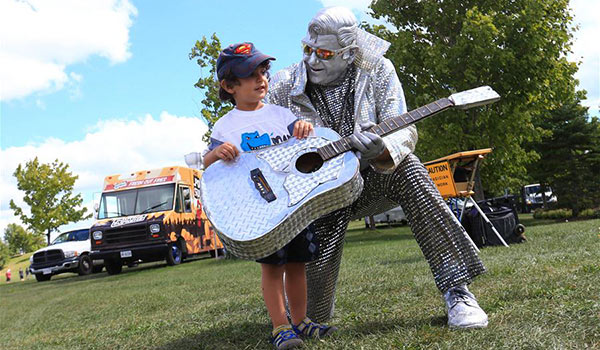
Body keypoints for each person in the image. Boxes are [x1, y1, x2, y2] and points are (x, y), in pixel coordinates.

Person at [266, 6, 488, 328]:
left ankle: (457, 290)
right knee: (310, 319)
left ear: (349, 53)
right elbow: (259, 140)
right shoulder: (282, 85)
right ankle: (297, 309)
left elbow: (404, 128)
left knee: (409, 169)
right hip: (312, 202)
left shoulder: (379, 70)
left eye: (324, 53)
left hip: (371, 181)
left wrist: (383, 150)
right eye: (308, 50)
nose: (312, 61)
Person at [203, 42, 337, 349]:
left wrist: (304, 126)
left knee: (298, 263)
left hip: (294, 202)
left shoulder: (280, 114)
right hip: (261, 211)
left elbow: (302, 142)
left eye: (263, 71)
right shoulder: (225, 126)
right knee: (273, 267)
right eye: (250, 75)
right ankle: (280, 326)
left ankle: (301, 321)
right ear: (229, 86)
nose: (261, 79)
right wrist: (216, 154)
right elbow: (207, 164)